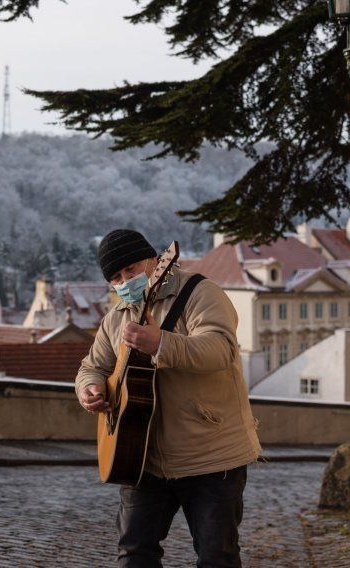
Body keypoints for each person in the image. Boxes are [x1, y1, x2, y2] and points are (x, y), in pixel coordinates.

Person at [75, 229, 262, 568]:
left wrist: (161, 342)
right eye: (116, 277)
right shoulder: (116, 318)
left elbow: (222, 349)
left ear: (155, 261)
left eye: (131, 269)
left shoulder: (200, 292)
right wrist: (90, 389)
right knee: (134, 555)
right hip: (141, 458)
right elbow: (91, 367)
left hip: (210, 456)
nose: (125, 281)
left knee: (216, 557)